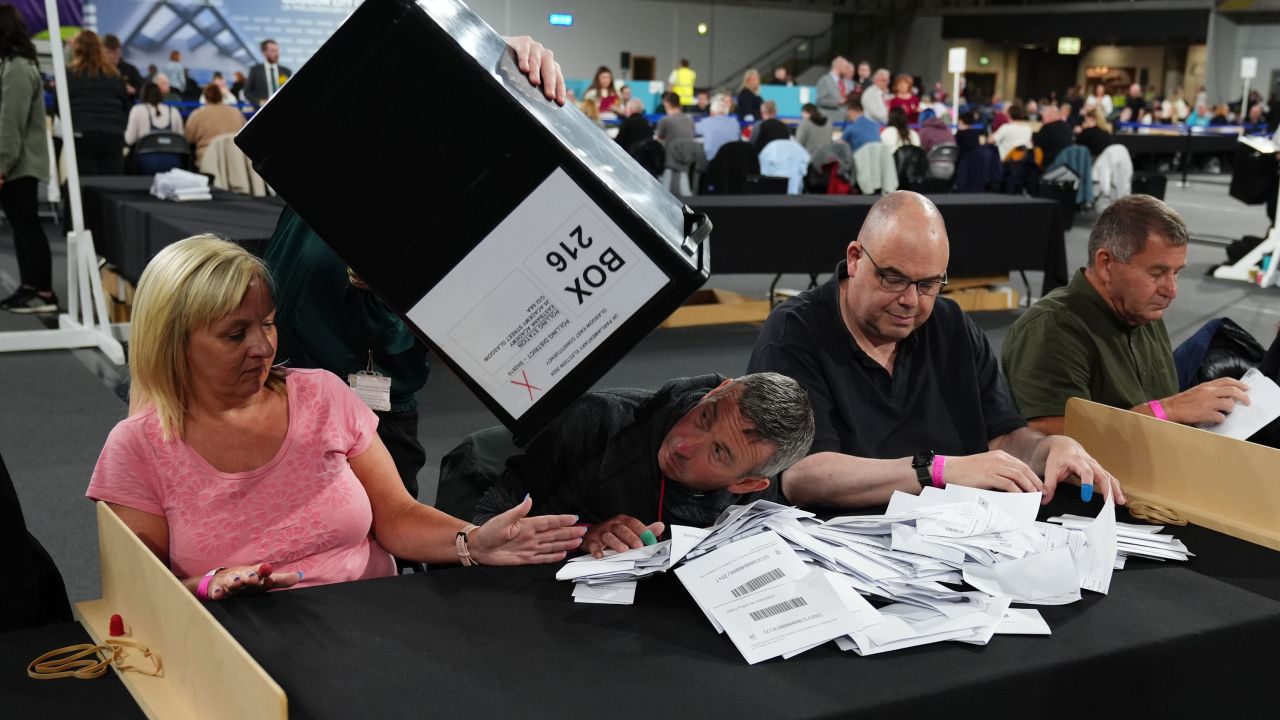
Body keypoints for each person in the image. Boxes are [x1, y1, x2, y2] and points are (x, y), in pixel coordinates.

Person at [89, 236, 585, 601]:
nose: (263, 348)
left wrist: (472, 543)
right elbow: (139, 589)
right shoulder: (139, 446)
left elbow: (397, 516)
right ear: (173, 342)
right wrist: (205, 585)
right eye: (234, 335)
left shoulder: (323, 394)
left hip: (374, 622)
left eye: (267, 324)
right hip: (238, 649)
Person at [264, 34, 565, 504]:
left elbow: (476, 339)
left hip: (380, 402)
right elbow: (373, 63)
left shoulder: (486, 199)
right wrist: (486, 47)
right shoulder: (355, 138)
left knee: (381, 548)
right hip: (280, 383)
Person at [747, 191, 1125, 508]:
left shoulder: (951, 325)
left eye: (929, 284)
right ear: (855, 259)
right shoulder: (796, 332)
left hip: (955, 539)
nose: (910, 300)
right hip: (843, 550)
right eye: (893, 278)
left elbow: (1003, 437)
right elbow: (803, 476)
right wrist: (938, 470)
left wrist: (1049, 448)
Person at [472, 373, 815, 559]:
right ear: (719, 390)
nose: (683, 444)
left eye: (719, 453)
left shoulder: (761, 502)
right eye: (704, 416)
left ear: (746, 484)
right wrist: (583, 536)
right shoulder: (595, 424)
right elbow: (485, 523)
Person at [1001, 196, 1249, 436]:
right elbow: (1053, 442)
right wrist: (1169, 410)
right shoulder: (1051, 328)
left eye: (1176, 273)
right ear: (1106, 264)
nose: (1171, 290)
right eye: (1157, 273)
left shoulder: (1142, 311)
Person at [0, 5, 58, 314]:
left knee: (27, 226)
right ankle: (29, 286)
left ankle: (45, 293)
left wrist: (1, 166)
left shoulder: (18, 67)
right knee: (21, 226)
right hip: (15, 162)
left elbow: (11, 123)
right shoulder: (12, 64)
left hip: (19, 163)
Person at [65, 30, 130, 175]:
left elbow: (60, 107)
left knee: (86, 188)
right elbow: (125, 107)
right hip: (113, 136)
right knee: (111, 189)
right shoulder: (114, 74)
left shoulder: (69, 75)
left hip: (82, 135)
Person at [185, 83, 246, 166]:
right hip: (235, 162)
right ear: (221, 96)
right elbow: (245, 136)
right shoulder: (237, 113)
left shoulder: (197, 115)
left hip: (208, 162)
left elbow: (188, 138)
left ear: (205, 97)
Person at [124, 80, 184, 147]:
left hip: (145, 156)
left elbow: (129, 140)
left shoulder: (137, 110)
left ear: (143, 95)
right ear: (160, 94)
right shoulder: (174, 111)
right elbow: (181, 139)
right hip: (171, 156)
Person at [246, 39, 292, 107]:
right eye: (273, 51)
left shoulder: (286, 71)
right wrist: (260, 102)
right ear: (264, 52)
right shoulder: (255, 70)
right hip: (263, 108)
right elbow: (247, 92)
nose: (277, 54)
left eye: (277, 50)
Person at [695, 94, 740, 161]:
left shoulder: (706, 122)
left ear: (711, 112)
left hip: (712, 163)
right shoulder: (735, 123)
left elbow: (691, 131)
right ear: (726, 112)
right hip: (732, 162)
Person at [102, 34, 141, 99]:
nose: (112, 56)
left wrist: (134, 90)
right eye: (108, 52)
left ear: (120, 51)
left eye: (115, 52)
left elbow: (142, 91)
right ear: (101, 52)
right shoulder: (96, 71)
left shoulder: (131, 70)